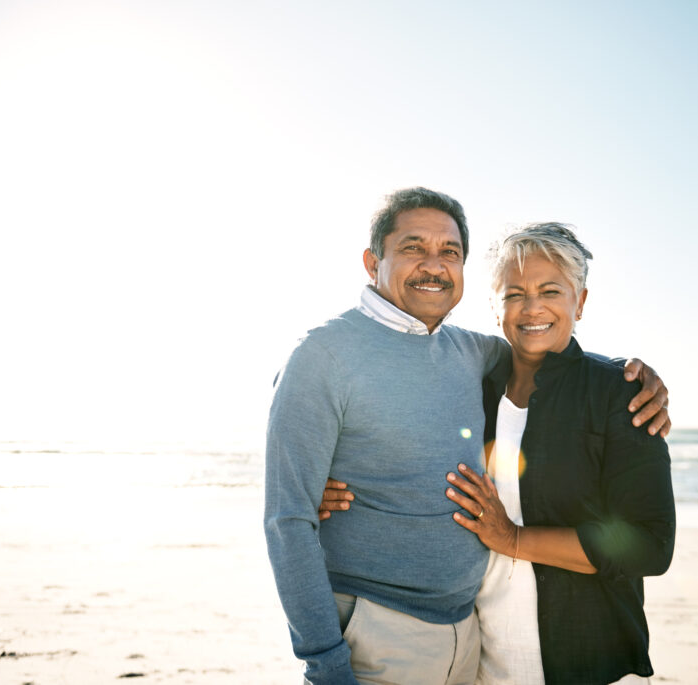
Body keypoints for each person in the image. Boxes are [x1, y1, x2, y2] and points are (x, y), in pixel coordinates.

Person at [265, 188, 669, 685]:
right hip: (415, 640)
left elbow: (649, 543)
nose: (434, 266)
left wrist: (634, 374)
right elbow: (289, 514)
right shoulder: (336, 356)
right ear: (373, 263)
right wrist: (324, 663)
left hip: (512, 647)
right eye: (413, 247)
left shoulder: (490, 360)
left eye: (449, 252)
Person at [444, 222, 676, 684]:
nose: (532, 308)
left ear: (580, 302)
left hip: (589, 662)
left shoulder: (620, 393)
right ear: (495, 306)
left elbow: (651, 545)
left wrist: (512, 539)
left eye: (551, 290)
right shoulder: (467, 390)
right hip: (478, 660)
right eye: (514, 294)